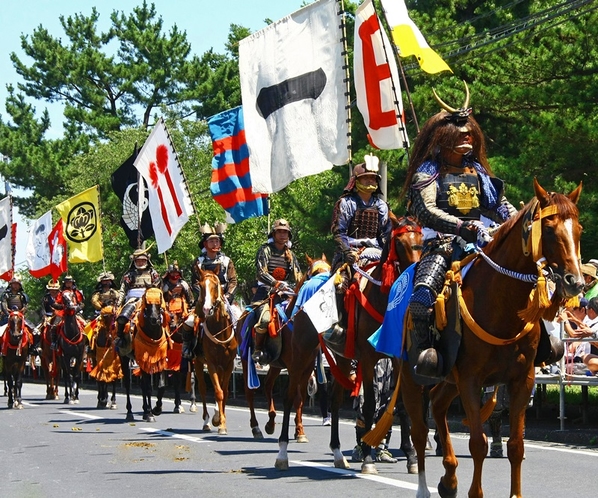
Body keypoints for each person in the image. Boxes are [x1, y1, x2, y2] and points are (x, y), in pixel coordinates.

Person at [402, 83, 518, 381]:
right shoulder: (428, 171)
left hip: (481, 243)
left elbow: (500, 206)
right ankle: (428, 354)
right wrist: (460, 226)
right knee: (421, 298)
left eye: (469, 133)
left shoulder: (477, 171)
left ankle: (536, 344)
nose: (467, 137)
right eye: (460, 134)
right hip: (442, 245)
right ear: (444, 138)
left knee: (524, 283)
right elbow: (426, 211)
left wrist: (519, 222)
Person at [330, 154, 392, 335]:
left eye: (373, 178)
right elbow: (338, 231)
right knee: (340, 284)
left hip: (376, 252)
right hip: (350, 253)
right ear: (355, 181)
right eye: (366, 177)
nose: (370, 180)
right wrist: (347, 252)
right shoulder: (345, 203)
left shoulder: (381, 205)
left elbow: (386, 234)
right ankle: (340, 324)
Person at [251, 219, 302, 365]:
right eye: (279, 231)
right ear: (274, 233)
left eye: (285, 232)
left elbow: (298, 275)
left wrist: (299, 286)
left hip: (285, 294)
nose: (282, 234)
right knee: (266, 319)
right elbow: (261, 272)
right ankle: (258, 349)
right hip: (265, 294)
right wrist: (275, 283)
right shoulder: (265, 250)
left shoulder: (290, 254)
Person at [115, 248, 161, 340]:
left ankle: (166, 337)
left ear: (147, 261)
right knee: (123, 317)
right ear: (134, 261)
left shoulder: (153, 273)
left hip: (150, 300)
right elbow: (123, 290)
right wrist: (118, 303)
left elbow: (159, 288)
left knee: (165, 317)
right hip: (133, 300)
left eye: (143, 261)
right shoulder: (129, 274)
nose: (140, 263)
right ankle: (120, 337)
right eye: (138, 261)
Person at [191, 222, 238, 305]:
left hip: (224, 299)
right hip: (204, 299)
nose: (215, 244)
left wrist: (228, 295)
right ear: (205, 244)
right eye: (211, 241)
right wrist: (206, 295)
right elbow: (195, 283)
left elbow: (233, 281)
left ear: (220, 244)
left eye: (217, 241)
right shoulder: (198, 262)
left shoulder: (226, 261)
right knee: (190, 318)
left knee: (240, 316)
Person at [49, 275, 85, 350]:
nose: (68, 284)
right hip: (63, 313)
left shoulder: (76, 293)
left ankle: (87, 345)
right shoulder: (61, 293)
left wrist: (78, 308)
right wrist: (62, 307)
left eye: (70, 282)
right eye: (67, 282)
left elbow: (82, 303)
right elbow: (55, 303)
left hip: (75, 312)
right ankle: (54, 343)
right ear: (64, 284)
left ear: (72, 283)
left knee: (86, 325)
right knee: (54, 326)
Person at [162, 261, 194, 326]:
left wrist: (191, 307)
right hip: (168, 310)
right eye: (172, 273)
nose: (174, 275)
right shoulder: (164, 286)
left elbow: (190, 298)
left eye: (176, 273)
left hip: (182, 309)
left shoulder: (183, 284)